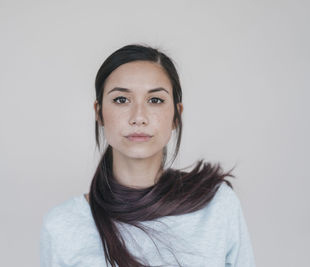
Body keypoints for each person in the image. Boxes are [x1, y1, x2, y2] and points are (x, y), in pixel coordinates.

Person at [40, 44, 256, 267]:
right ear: (99, 113)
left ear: (176, 116)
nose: (139, 117)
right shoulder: (62, 225)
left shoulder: (217, 205)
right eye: (121, 100)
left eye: (155, 100)